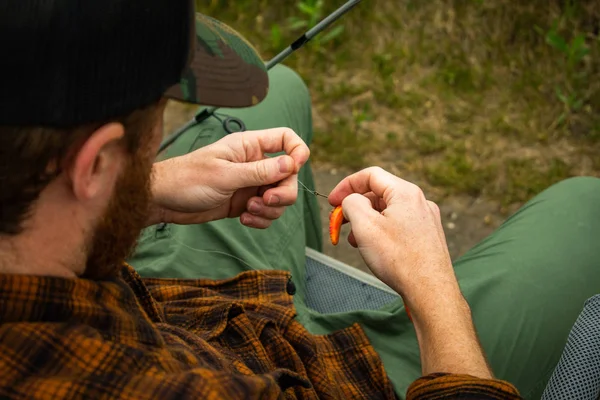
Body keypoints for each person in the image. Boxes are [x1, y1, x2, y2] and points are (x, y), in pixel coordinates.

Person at [1, 1, 599, 399]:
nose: (162, 132)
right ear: (95, 164)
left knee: (272, 88)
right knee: (584, 211)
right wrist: (433, 290)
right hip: (313, 374)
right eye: (161, 110)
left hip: (172, 302)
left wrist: (148, 191)